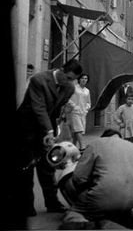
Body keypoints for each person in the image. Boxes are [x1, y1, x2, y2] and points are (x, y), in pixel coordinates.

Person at [13, 59, 84, 216]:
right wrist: (49, 131)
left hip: (45, 128)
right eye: (69, 77)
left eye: (73, 79)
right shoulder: (38, 80)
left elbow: (56, 110)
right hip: (26, 126)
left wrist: (53, 132)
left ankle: (52, 203)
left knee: (47, 165)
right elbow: (39, 108)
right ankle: (26, 205)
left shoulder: (69, 88)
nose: (70, 82)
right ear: (61, 70)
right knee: (28, 166)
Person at [57, 129, 133, 229]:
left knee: (74, 212)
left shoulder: (96, 144)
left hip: (103, 197)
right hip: (132, 200)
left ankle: (84, 224)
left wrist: (87, 188)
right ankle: (130, 217)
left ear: (104, 137)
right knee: (112, 206)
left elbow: (79, 177)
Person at [65, 74, 91, 150]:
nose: (84, 80)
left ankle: (72, 149)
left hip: (83, 113)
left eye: (86, 78)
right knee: (78, 129)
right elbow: (67, 98)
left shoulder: (87, 91)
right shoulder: (74, 88)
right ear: (79, 79)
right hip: (74, 112)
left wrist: (86, 108)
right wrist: (74, 106)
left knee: (76, 133)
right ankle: (82, 147)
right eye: (82, 78)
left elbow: (88, 102)